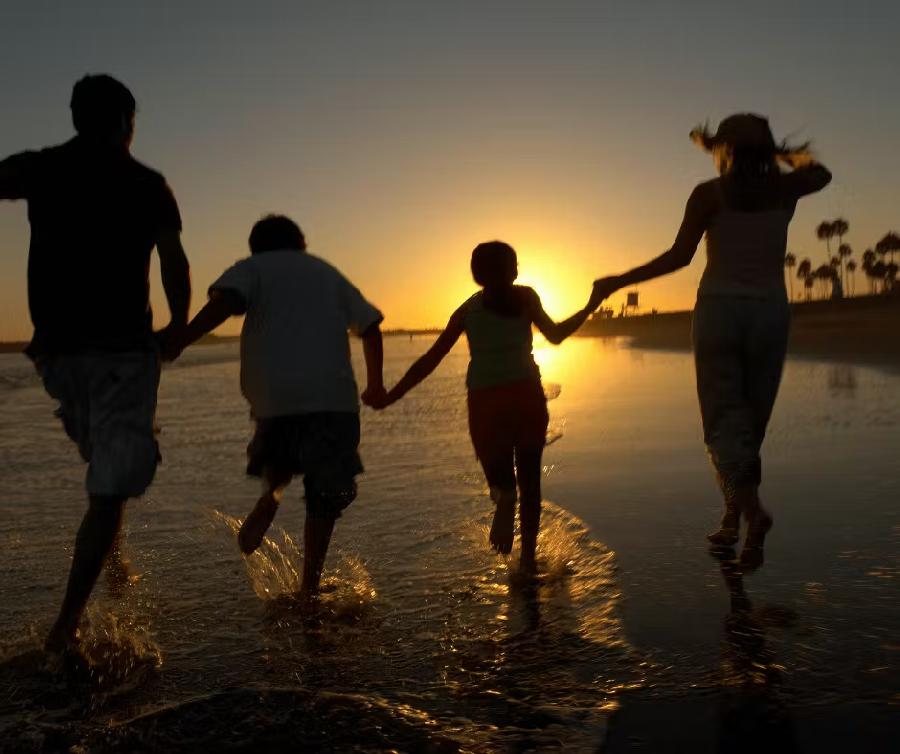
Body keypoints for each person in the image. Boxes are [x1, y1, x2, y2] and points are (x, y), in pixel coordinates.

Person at [0, 74, 192, 653]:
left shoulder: (40, 166)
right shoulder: (146, 182)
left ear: (77, 117)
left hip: (56, 355)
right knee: (110, 482)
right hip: (121, 351)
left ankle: (112, 547)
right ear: (128, 121)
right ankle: (66, 627)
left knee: (106, 464)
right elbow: (173, 261)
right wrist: (178, 326)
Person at [592, 113, 831, 568]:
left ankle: (752, 513)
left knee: (725, 423)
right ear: (766, 149)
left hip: (720, 312)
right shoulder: (786, 188)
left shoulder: (709, 194)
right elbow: (822, 173)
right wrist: (783, 153)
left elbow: (679, 256)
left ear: (725, 150)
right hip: (770, 314)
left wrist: (619, 280)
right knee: (751, 424)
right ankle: (733, 518)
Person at [178, 214, 384, 602]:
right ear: (302, 244)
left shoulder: (251, 268)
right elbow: (370, 326)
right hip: (332, 397)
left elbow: (225, 303)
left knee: (280, 449)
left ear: (255, 246)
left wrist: (179, 340)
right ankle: (309, 587)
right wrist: (375, 383)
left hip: (274, 397)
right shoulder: (327, 273)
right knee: (328, 493)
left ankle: (269, 497)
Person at [366, 241, 603, 574]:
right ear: (515, 270)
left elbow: (431, 360)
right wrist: (592, 303)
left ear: (476, 275)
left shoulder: (466, 311)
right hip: (527, 395)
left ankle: (504, 498)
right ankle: (529, 562)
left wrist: (393, 395)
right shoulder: (527, 297)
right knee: (531, 483)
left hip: (486, 400)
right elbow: (558, 335)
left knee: (500, 476)